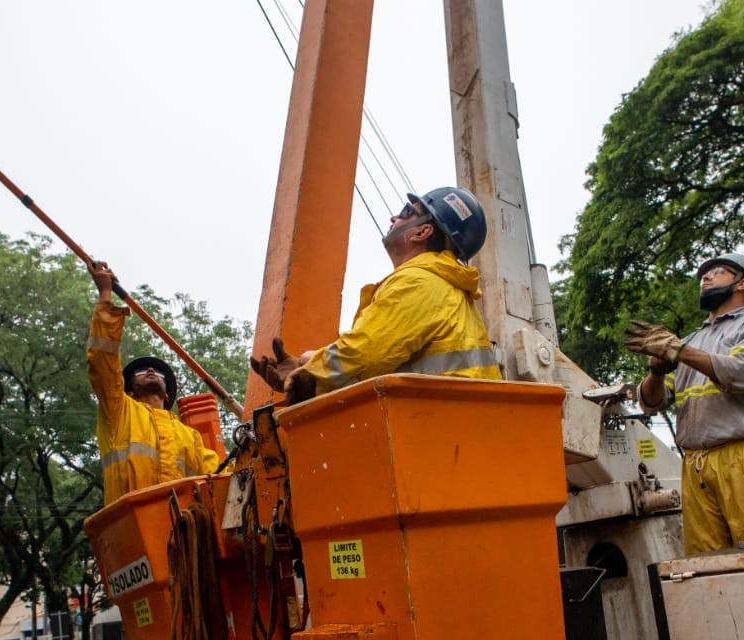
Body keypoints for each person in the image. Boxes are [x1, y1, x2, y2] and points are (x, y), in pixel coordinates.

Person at [251, 186, 501, 403]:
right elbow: (379, 351)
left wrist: (306, 378)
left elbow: (367, 353)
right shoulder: (440, 286)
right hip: (452, 425)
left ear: (421, 232)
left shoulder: (419, 282)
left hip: (437, 429)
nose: (394, 217)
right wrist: (308, 365)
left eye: (406, 212)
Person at [626, 252, 744, 556]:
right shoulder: (692, 340)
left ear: (743, 284)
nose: (706, 277)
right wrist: (656, 372)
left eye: (718, 272)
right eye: (704, 274)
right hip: (696, 465)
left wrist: (679, 351)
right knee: (706, 563)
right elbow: (651, 403)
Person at [87, 262, 220, 504]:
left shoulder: (190, 437)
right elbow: (102, 363)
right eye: (140, 370)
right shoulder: (119, 411)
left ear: (167, 395)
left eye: (157, 372)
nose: (150, 369)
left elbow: (220, 478)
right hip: (134, 530)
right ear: (128, 389)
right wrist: (105, 294)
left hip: (185, 535)